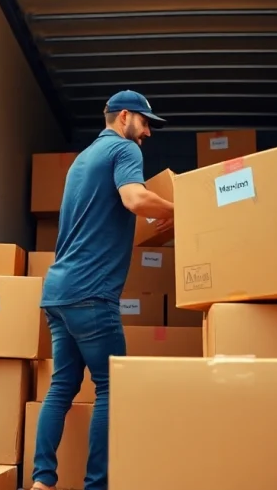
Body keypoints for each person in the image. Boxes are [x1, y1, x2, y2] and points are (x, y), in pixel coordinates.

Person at [30, 90, 175, 490]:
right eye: (145, 122)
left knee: (62, 386)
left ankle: (42, 481)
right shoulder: (124, 151)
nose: (147, 132)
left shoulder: (81, 160)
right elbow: (134, 198)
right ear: (124, 117)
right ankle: (96, 485)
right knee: (112, 386)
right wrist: (180, 208)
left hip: (58, 291)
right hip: (91, 294)